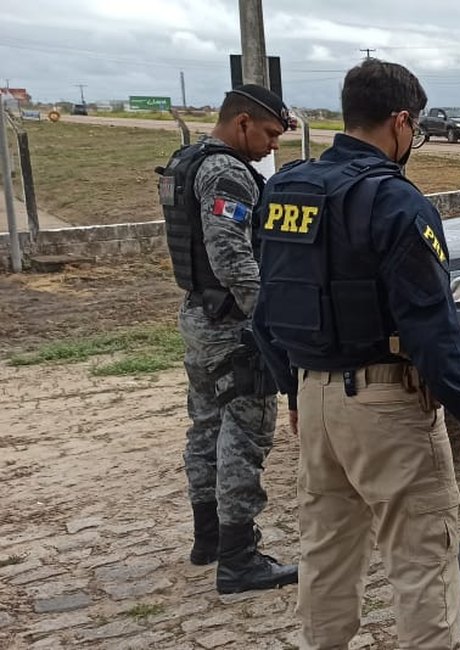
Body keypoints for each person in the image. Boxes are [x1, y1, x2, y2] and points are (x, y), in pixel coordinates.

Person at [252, 58, 460, 649]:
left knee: (327, 552)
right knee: (420, 556)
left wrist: (291, 388)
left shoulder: (287, 188)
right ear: (401, 120)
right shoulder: (394, 201)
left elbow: (266, 310)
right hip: (387, 406)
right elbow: (432, 326)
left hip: (313, 398)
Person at [157, 84, 298, 594]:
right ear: (242, 123)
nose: (273, 146)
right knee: (246, 432)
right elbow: (233, 261)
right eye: (269, 133)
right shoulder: (226, 172)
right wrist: (270, 324)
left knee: (206, 424)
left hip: (198, 316)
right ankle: (239, 559)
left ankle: (209, 538)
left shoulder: (187, 161)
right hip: (232, 325)